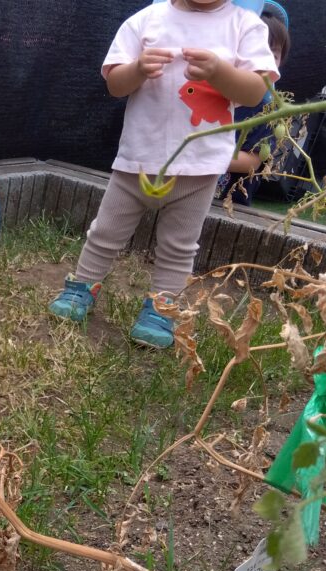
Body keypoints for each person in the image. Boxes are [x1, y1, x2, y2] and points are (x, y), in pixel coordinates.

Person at [48, 0, 279, 349]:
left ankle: (162, 307)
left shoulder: (245, 26)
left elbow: (255, 91)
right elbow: (115, 84)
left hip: (199, 167)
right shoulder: (147, 20)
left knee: (179, 246)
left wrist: (219, 71)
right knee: (106, 231)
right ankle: (82, 287)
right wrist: (138, 68)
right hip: (139, 159)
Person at [217, 1, 291, 206]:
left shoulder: (269, 109)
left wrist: (200, 156)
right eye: (255, 50)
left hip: (230, 202)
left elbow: (252, 161)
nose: (263, 61)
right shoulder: (211, 93)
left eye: (273, 54)